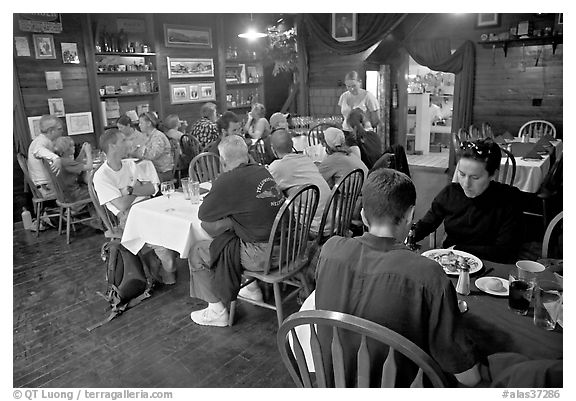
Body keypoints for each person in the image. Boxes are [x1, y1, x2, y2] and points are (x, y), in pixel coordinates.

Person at [315, 168, 481, 387]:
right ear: (411, 215)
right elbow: (469, 377)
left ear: (363, 215)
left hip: (333, 383)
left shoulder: (330, 249)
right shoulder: (428, 273)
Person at [188, 135, 285, 327]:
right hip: (289, 247)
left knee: (197, 251)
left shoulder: (227, 180)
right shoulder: (262, 171)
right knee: (236, 233)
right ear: (247, 155)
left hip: (263, 256)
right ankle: (251, 289)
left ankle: (216, 311)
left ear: (222, 162)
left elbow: (204, 214)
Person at [413, 139, 523, 263]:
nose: (466, 184)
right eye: (461, 174)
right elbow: (427, 224)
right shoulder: (451, 193)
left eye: (475, 177)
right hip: (451, 262)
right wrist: (407, 236)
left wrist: (459, 249)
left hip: (490, 265)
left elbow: (504, 251)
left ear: (493, 175)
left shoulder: (510, 199)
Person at [93, 129, 177, 284]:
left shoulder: (130, 165)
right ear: (112, 147)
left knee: (176, 219)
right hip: (128, 216)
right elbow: (122, 204)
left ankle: (165, 266)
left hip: (148, 206)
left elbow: (152, 189)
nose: (128, 143)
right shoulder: (101, 176)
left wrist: (129, 190)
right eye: (123, 141)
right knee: (160, 237)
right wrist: (138, 188)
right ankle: (167, 271)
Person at [268, 128, 331, 235]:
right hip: (334, 220)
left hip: (313, 228)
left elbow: (265, 190)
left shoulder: (277, 167)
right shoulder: (306, 159)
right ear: (292, 144)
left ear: (273, 149)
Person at [27, 115, 64, 197]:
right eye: (59, 129)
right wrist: (56, 158)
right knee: (75, 188)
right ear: (51, 131)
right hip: (45, 188)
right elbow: (38, 150)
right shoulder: (41, 141)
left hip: (46, 184)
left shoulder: (44, 140)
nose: (62, 131)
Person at [133, 112, 174, 182]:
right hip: (153, 169)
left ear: (149, 123)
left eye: (141, 123)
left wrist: (137, 152)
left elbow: (153, 155)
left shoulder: (158, 136)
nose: (139, 125)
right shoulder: (148, 136)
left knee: (137, 180)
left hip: (162, 171)